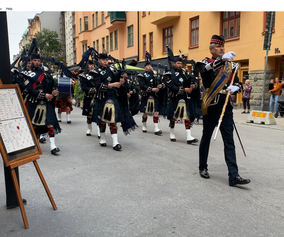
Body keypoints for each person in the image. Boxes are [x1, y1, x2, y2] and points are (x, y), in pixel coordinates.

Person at [196, 34, 250, 187]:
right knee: (206, 137)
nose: (221, 49)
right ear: (211, 49)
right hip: (211, 105)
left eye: (222, 46)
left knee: (229, 141)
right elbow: (205, 74)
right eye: (218, 47)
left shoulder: (230, 66)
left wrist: (236, 88)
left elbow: (239, 84)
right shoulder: (205, 63)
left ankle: (233, 175)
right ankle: (203, 167)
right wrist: (221, 61)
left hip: (226, 107)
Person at [91, 53, 137, 151]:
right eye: (103, 59)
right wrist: (112, 85)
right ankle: (102, 138)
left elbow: (117, 81)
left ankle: (115, 142)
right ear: (98, 61)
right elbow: (98, 86)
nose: (105, 61)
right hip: (101, 98)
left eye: (106, 59)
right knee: (102, 121)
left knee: (112, 121)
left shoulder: (111, 70)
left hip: (112, 97)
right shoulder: (95, 72)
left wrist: (122, 80)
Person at [22, 53, 61, 155]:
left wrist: (54, 91)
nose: (37, 62)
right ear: (31, 61)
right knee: (34, 125)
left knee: (50, 123)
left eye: (38, 61)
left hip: (45, 102)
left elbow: (52, 84)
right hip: (34, 102)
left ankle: (53, 146)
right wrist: (44, 95)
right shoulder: (26, 74)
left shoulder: (44, 72)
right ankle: (34, 146)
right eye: (35, 61)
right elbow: (29, 89)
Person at [164, 56, 200, 144]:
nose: (180, 65)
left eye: (181, 63)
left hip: (184, 98)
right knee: (173, 118)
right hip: (174, 98)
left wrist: (193, 84)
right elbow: (170, 86)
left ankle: (189, 137)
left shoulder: (184, 73)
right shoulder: (168, 73)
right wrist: (183, 89)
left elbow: (192, 79)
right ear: (174, 64)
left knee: (187, 117)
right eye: (178, 63)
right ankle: (172, 133)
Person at [137, 61, 166, 135]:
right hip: (146, 95)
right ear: (145, 67)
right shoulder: (142, 75)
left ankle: (156, 128)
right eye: (148, 65)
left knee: (156, 112)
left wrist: (161, 85)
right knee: (145, 112)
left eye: (150, 65)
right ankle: (144, 125)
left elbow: (162, 82)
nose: (150, 67)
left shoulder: (155, 75)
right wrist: (151, 89)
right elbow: (142, 85)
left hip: (154, 95)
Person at [79, 60, 100, 138]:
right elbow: (83, 87)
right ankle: (89, 129)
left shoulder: (97, 73)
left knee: (98, 115)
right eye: (90, 64)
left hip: (98, 97)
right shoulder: (83, 75)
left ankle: (99, 131)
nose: (91, 66)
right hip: (88, 96)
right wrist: (92, 89)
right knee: (89, 115)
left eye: (92, 64)